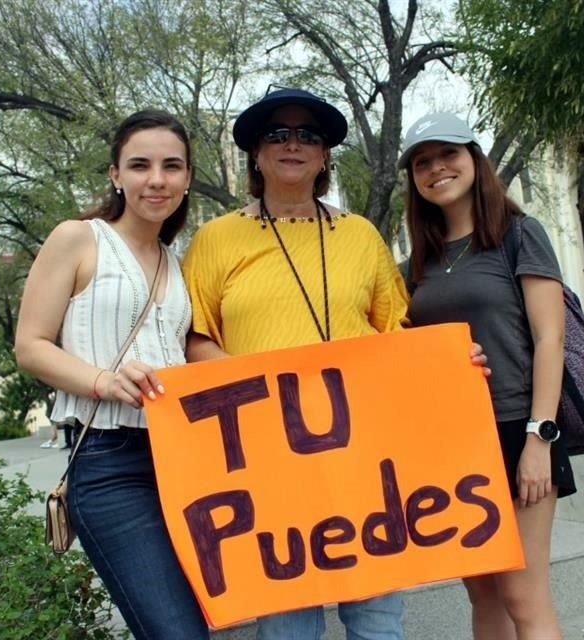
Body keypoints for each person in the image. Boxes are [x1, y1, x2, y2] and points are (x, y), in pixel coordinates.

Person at [183, 87, 487, 640]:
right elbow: (196, 337)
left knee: (376, 618)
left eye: (308, 136)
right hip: (269, 459)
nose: (292, 144)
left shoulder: (360, 235)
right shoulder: (215, 239)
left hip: (363, 456)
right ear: (256, 153)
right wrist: (263, 395)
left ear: (324, 156)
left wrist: (448, 364)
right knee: (287, 623)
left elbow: (397, 331)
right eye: (277, 134)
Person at [15, 110, 209, 639]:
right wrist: (103, 380)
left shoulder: (175, 262)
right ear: (115, 174)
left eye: (172, 166)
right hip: (108, 463)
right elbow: (30, 346)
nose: (156, 179)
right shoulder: (78, 239)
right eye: (140, 164)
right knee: (176, 632)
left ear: (187, 177)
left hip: (181, 462)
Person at [398, 112, 575, 640]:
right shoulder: (416, 264)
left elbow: (551, 340)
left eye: (447, 154)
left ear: (474, 158)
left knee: (523, 593)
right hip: (449, 443)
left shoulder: (519, 235)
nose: (436, 168)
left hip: (518, 426)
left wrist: (539, 438)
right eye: (422, 162)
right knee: (482, 592)